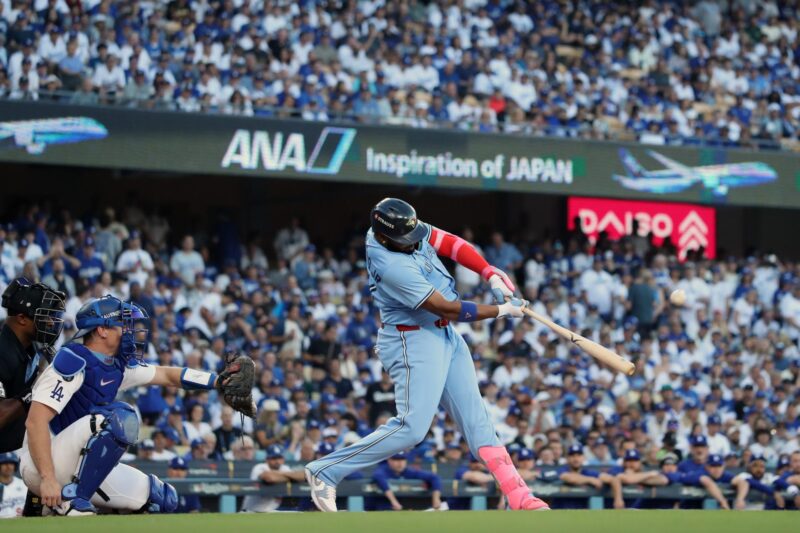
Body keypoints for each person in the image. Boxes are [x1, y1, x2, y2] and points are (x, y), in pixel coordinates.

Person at [305, 198, 547, 512]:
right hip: (413, 338)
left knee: (479, 422)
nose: (414, 242)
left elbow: (451, 243)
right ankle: (325, 470)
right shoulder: (390, 264)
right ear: (383, 237)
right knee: (411, 429)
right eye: (405, 240)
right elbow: (446, 308)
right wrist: (501, 311)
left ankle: (520, 497)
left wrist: (489, 273)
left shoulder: (402, 228)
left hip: (443, 334)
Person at [19, 296, 246, 515]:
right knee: (120, 417)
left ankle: (61, 506)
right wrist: (47, 479)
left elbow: (167, 375)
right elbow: (35, 421)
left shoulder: (116, 364)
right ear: (102, 330)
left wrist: (218, 381)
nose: (130, 330)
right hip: (44, 465)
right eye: (122, 324)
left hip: (75, 465)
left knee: (162, 497)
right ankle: (73, 502)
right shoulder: (72, 359)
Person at [0, 278, 65, 452]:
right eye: (44, 316)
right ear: (22, 318)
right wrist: (32, 392)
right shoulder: (2, 351)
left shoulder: (30, 346)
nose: (51, 322)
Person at [370, 450, 444, 511]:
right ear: (389, 460)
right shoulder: (383, 470)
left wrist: (436, 498)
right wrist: (394, 502)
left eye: (402, 459)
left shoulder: (408, 471)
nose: (400, 463)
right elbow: (379, 478)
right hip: (384, 505)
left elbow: (434, 477)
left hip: (407, 504)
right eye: (396, 460)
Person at [556, 444, 624, 509]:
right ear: (567, 458)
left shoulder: (587, 472)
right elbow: (568, 478)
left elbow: (614, 479)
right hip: (561, 509)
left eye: (578, 455)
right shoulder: (563, 469)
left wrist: (618, 499)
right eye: (572, 455)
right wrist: (591, 480)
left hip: (582, 511)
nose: (575, 459)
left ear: (583, 458)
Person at [241, 444, 305, 512]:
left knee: (299, 513)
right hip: (251, 510)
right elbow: (269, 478)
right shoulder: (259, 467)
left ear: (283, 459)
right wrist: (290, 477)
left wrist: (279, 474)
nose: (277, 461)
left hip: (270, 511)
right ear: (267, 459)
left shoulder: (284, 468)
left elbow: (303, 476)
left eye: (279, 458)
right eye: (274, 458)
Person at [0, 452, 26, 518]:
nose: (8, 466)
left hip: (22, 522)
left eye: (11, 463)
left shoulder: (24, 484)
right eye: (4, 463)